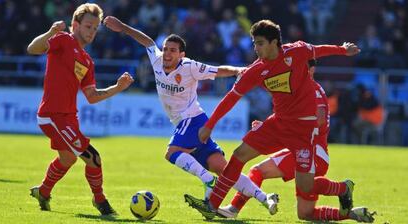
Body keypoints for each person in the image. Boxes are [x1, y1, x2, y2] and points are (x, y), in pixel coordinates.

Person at [184, 19, 362, 221]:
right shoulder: (256, 70)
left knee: (306, 186)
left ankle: (343, 188)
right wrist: (209, 125)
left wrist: (342, 50)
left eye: (260, 43)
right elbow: (231, 98)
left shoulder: (297, 51)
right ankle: (212, 204)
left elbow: (320, 50)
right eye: (254, 43)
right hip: (277, 125)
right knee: (239, 154)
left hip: (303, 131)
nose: (256, 48)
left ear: (274, 42)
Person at [103, 16, 279, 213]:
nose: (168, 54)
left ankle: (208, 181)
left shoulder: (189, 67)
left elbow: (218, 70)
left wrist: (238, 70)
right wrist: (123, 27)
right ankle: (266, 198)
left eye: (173, 50)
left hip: (193, 119)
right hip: (185, 123)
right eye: (166, 49)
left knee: (172, 153)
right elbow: (148, 42)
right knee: (222, 167)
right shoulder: (157, 59)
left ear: (181, 54)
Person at [218, 60, 375, 223]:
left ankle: (233, 209)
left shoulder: (313, 90)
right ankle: (349, 207)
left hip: (311, 152)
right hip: (308, 152)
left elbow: (319, 119)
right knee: (305, 214)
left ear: (312, 70)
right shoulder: (296, 90)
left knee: (258, 171)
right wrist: (267, 128)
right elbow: (285, 120)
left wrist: (286, 132)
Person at [27, 3, 133, 216]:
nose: (92, 32)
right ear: (75, 25)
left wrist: (118, 87)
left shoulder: (87, 61)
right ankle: (100, 201)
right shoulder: (64, 40)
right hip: (52, 116)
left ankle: (43, 191)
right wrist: (51, 31)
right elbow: (33, 49)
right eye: (88, 26)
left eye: (95, 28)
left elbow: (92, 97)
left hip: (69, 117)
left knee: (68, 159)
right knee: (93, 157)